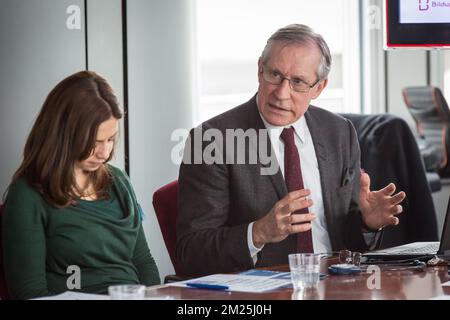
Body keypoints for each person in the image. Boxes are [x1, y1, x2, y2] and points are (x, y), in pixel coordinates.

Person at [176, 24, 406, 277]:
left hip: (337, 283)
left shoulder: (340, 132)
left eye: (297, 82)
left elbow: (348, 240)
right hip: (261, 291)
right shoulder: (212, 139)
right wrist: (259, 232)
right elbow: (191, 252)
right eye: (274, 75)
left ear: (319, 88)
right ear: (259, 69)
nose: (281, 94)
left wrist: (366, 222)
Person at [2, 71, 160, 299]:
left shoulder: (119, 182)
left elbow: (143, 262)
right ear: (64, 135)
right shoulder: (28, 195)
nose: (105, 153)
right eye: (95, 142)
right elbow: (29, 293)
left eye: (110, 139)